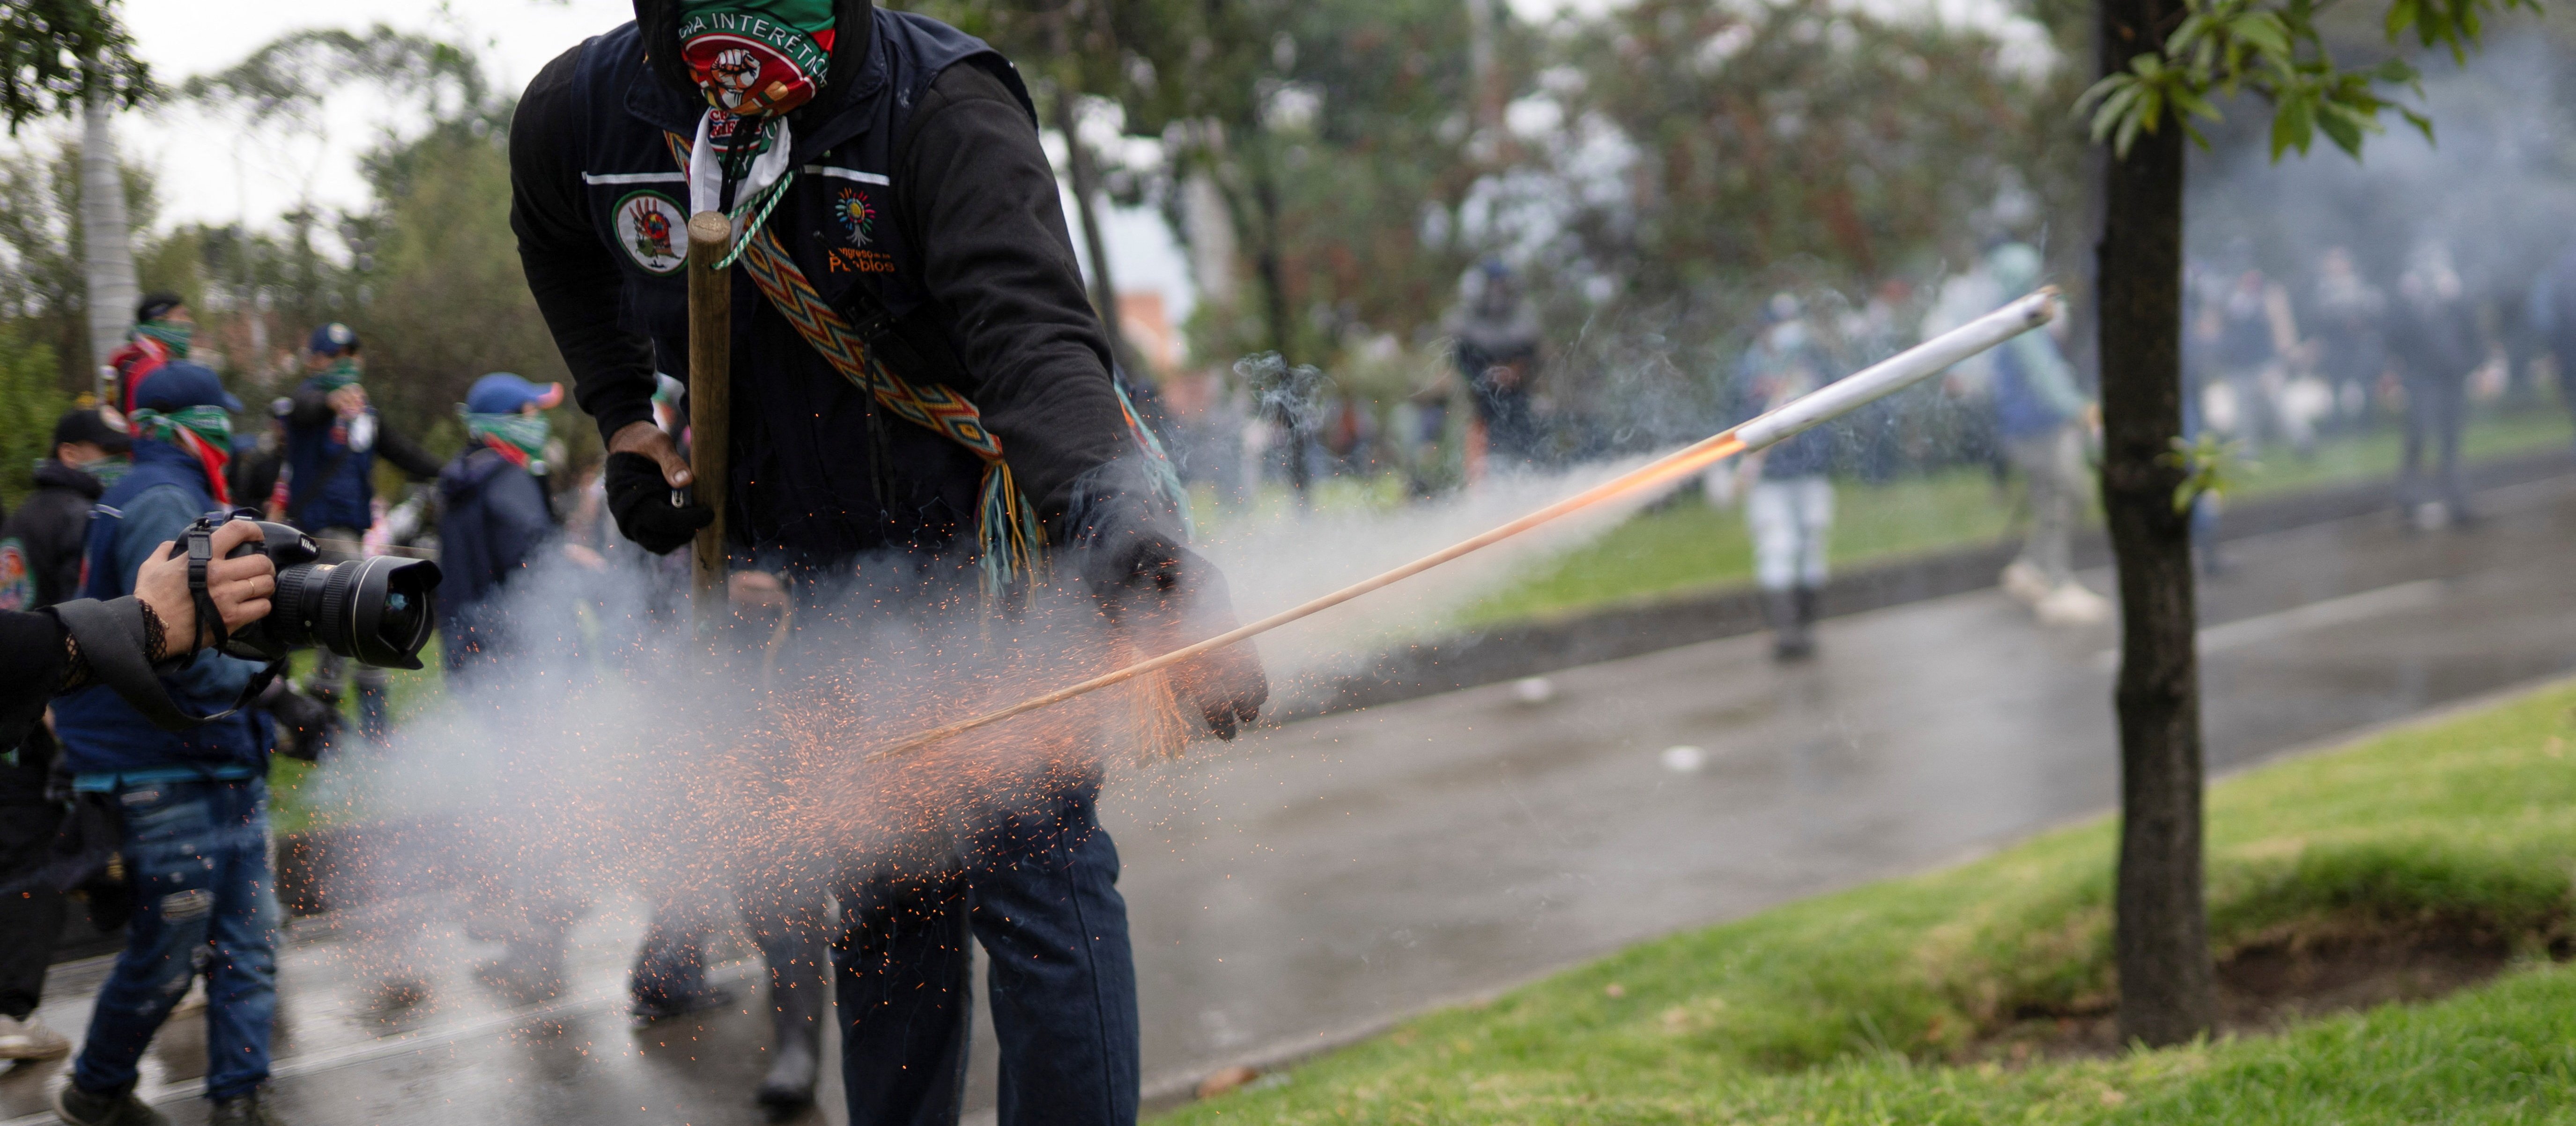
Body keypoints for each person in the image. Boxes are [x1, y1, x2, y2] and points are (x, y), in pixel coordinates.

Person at [509, 1, 1268, 1120]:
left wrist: (1132, 541)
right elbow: (557, 249)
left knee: (1036, 880)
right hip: (815, 592)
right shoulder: (578, 116)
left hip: (990, 552)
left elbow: (1035, 345)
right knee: (881, 902)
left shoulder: (944, 106)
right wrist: (625, 418)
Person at [44, 362, 295, 1126]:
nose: (229, 427)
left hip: (210, 756)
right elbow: (180, 637)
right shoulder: (160, 496)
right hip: (160, 759)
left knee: (248, 940)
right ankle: (97, 1090)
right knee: (171, 946)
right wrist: (280, 698)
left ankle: (240, 1098)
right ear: (182, 421)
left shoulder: (180, 492)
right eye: (218, 413)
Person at [0, 409, 133, 1063]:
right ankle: (11, 1007)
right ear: (74, 452)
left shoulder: (23, 518)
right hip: (60, 709)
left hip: (25, 705)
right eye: (108, 451)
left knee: (64, 843)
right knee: (45, 851)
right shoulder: (84, 520)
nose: (118, 462)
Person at [279, 324, 441, 739]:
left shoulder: (366, 413)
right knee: (364, 606)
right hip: (320, 531)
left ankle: (333, 716)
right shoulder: (307, 403)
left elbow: (401, 451)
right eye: (336, 356)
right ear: (315, 362)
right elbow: (305, 407)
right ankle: (339, 714)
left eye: (352, 355)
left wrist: (449, 471)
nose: (347, 364)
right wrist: (331, 401)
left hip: (354, 528)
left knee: (358, 617)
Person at [1985, 244, 2110, 627]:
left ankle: (2032, 567)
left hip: (2028, 429)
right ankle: (2057, 584)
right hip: (2042, 429)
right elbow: (2045, 377)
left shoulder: (2009, 318)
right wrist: (2078, 409)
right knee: (2064, 497)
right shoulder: (2018, 322)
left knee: (2052, 500)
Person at [1727, 293, 1835, 660]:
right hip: (1769, 476)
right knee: (1777, 546)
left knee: (1812, 541)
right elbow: (1732, 417)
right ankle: (1785, 632)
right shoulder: (1748, 368)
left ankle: (1807, 627)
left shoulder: (1814, 362)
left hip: (1811, 470)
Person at [437, 373, 567, 674]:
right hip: (520, 656)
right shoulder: (509, 479)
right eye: (532, 412)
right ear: (507, 420)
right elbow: (534, 565)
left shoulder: (462, 477)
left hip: (471, 654)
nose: (540, 423)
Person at [2386, 244, 2480, 529]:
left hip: (2451, 375)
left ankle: (2458, 503)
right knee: (2417, 437)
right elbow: (2392, 336)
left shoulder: (2455, 296)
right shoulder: (2406, 298)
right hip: (2419, 377)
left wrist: (2456, 298)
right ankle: (2408, 500)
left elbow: (2472, 332)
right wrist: (2405, 300)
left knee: (2451, 441)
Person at [1449, 259, 1544, 477]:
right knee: (1480, 455)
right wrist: (1487, 376)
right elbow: (1464, 364)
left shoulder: (1523, 321)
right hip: (1481, 406)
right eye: (1492, 286)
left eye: (1501, 286)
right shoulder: (1464, 323)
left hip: (1518, 402)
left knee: (1525, 449)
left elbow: (1531, 359)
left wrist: (1514, 373)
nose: (1497, 295)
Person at [105, 293, 192, 415]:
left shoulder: (124, 356)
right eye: (182, 315)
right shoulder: (154, 361)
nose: (189, 322)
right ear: (159, 319)